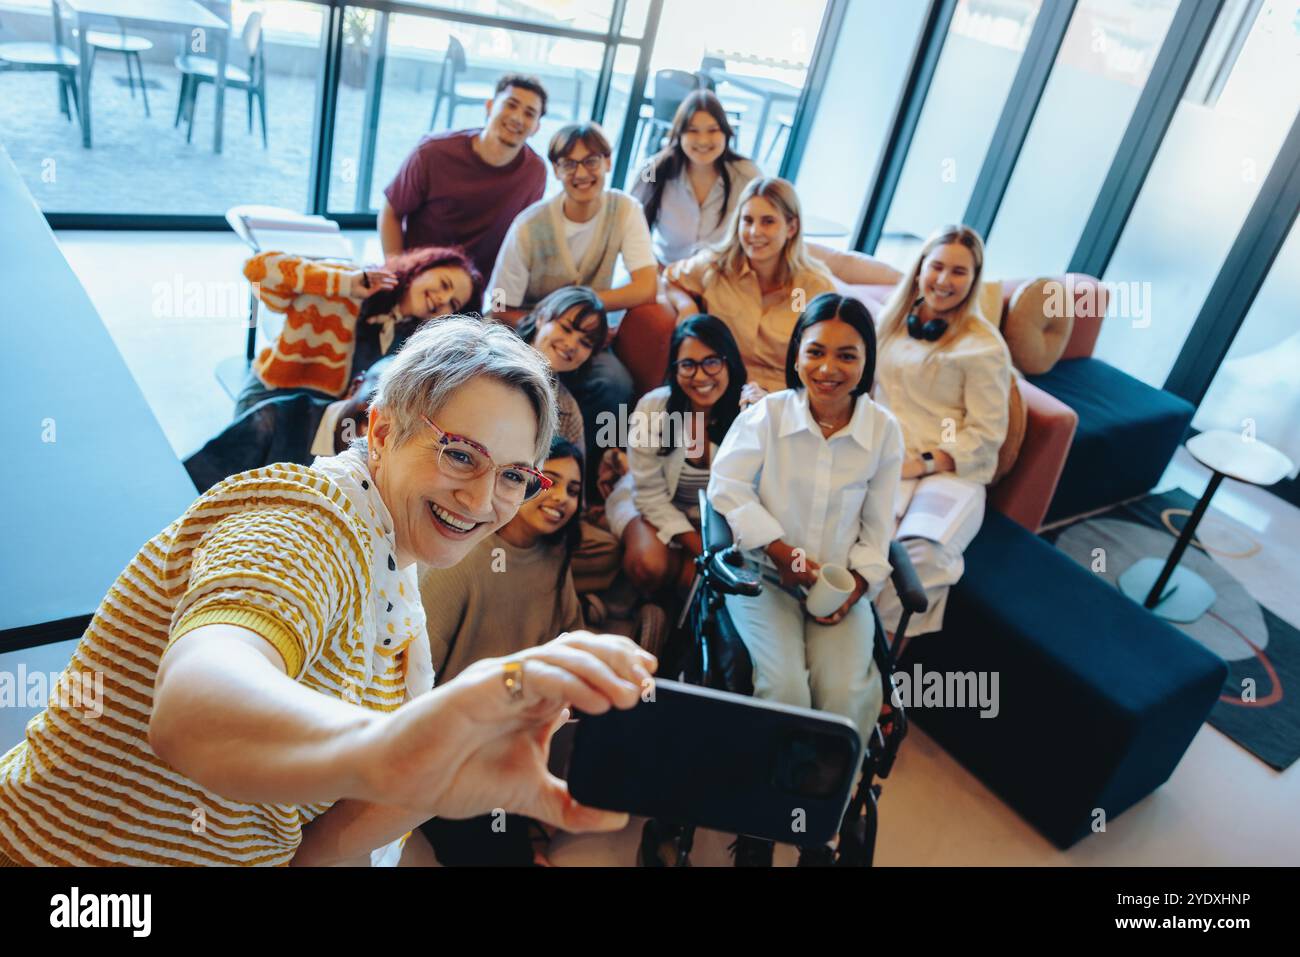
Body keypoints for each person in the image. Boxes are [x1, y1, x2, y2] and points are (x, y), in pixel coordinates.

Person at [0, 316, 655, 867]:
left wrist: (447, 767)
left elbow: (311, 847)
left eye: (514, 475)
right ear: (380, 430)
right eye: (459, 453)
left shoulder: (395, 567)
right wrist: (389, 746)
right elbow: (194, 702)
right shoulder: (309, 519)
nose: (484, 499)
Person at [708, 292, 902, 867]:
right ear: (796, 355)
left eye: (847, 355)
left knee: (847, 695)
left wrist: (859, 587)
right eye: (815, 352)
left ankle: (820, 819)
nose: (828, 369)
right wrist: (780, 549)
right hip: (765, 573)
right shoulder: (767, 417)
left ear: (867, 362)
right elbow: (727, 488)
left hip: (838, 585)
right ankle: (763, 821)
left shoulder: (883, 432)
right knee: (786, 687)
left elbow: (878, 529)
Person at [416, 436, 586, 865]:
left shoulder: (553, 557)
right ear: (517, 481)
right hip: (455, 742)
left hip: (521, 737)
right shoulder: (465, 557)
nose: (562, 498)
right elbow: (417, 674)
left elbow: (571, 633)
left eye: (574, 489)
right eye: (551, 481)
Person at [871, 225, 1011, 638]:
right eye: (937, 267)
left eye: (958, 272)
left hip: (949, 470)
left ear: (973, 280)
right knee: (871, 542)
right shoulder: (892, 321)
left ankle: (886, 659)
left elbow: (986, 436)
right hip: (889, 457)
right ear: (920, 269)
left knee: (922, 554)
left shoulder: (984, 347)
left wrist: (923, 463)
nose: (944, 281)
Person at [235, 245, 480, 415]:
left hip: (320, 421)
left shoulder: (416, 346)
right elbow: (256, 269)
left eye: (453, 304)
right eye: (444, 284)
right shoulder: (349, 280)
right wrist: (344, 283)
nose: (442, 299)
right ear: (422, 268)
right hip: (270, 397)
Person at [612, 315, 747, 597]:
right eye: (688, 365)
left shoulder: (750, 412)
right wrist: (698, 546)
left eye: (711, 362)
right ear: (675, 369)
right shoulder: (654, 407)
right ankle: (646, 603)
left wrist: (709, 547)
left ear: (729, 362)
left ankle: (667, 609)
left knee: (695, 582)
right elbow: (649, 495)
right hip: (648, 503)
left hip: (715, 522)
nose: (700, 377)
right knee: (648, 564)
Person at [664, 177, 835, 396]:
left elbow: (827, 353)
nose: (755, 232)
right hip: (719, 395)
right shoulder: (715, 268)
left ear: (791, 227)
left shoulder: (810, 288)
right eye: (747, 220)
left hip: (781, 401)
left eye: (768, 221)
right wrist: (687, 307)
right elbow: (669, 279)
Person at [380, 74, 549, 284]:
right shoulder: (432, 152)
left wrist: (498, 308)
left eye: (529, 113)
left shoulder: (535, 172)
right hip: (419, 278)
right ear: (489, 107)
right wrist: (398, 274)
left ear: (536, 128)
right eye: (510, 105)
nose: (517, 118)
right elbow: (391, 212)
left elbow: (518, 242)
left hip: (473, 292)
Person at [513, 287, 622, 597]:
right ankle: (560, 596)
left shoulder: (569, 409)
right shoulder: (490, 363)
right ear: (541, 317)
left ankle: (555, 592)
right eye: (567, 328)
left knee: (607, 549)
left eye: (586, 342)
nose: (572, 345)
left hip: (537, 509)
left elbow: (573, 489)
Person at [185, 357, 393, 493]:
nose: (380, 420)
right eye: (378, 396)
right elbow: (194, 486)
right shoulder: (274, 421)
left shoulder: (382, 473)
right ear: (356, 385)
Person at [630, 90, 760, 266]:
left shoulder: (747, 174)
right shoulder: (651, 169)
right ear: (679, 134)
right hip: (662, 271)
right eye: (693, 130)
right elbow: (630, 229)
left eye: (713, 130)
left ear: (726, 133)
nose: (703, 140)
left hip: (719, 276)